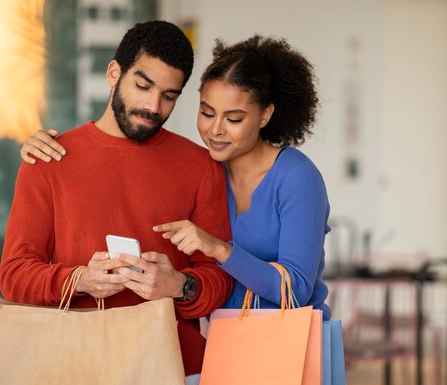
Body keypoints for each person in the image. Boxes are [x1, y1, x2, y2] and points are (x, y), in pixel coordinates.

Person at [0, 20, 233, 385]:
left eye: (169, 96)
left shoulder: (201, 166)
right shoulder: (48, 160)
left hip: (176, 370)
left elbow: (219, 279)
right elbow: (14, 275)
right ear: (114, 73)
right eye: (143, 86)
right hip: (74, 368)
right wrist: (79, 280)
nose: (153, 107)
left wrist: (178, 286)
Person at [22, 35, 331, 320]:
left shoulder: (296, 177)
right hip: (228, 345)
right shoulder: (208, 168)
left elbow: (297, 288)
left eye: (234, 119)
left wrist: (218, 251)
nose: (216, 130)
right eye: (207, 113)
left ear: (264, 116)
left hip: (290, 344)